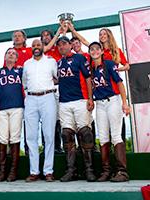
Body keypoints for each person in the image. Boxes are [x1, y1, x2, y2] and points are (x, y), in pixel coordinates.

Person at [88, 41, 130, 182]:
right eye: (91, 49)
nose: (94, 51)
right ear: (90, 53)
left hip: (113, 101)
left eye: (96, 49)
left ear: (101, 51)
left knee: (116, 136)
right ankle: (106, 171)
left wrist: (125, 103)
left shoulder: (109, 64)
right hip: (100, 104)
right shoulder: (91, 69)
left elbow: (119, 83)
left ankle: (122, 172)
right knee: (104, 137)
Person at [57, 36, 96, 182]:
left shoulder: (79, 58)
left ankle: (89, 170)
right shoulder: (58, 63)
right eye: (59, 45)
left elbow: (87, 78)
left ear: (70, 45)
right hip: (64, 102)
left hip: (80, 100)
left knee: (85, 132)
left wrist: (90, 98)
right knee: (66, 134)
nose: (61, 47)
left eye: (64, 44)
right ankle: (71, 170)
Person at [23, 39, 57, 182]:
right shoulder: (26, 64)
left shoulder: (51, 61)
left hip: (48, 97)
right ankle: (34, 171)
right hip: (31, 99)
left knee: (49, 135)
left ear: (43, 47)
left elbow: (57, 78)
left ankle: (48, 171)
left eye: (38, 45)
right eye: (34, 46)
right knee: (31, 136)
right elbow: (24, 82)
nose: (36, 47)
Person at [0, 48, 24, 182]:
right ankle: (2, 171)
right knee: (2, 138)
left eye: (14, 53)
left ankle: (13, 171)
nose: (11, 55)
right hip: (1, 108)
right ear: (5, 56)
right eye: (9, 53)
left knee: (14, 137)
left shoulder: (21, 70)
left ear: (17, 58)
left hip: (17, 107)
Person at [99, 28, 130, 143]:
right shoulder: (99, 52)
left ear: (109, 35)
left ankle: (120, 152)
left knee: (117, 123)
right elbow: (85, 42)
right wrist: (72, 30)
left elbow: (127, 65)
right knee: (105, 126)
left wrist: (120, 68)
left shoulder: (116, 51)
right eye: (100, 34)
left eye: (104, 34)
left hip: (115, 89)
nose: (102, 36)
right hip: (102, 91)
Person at [40, 27, 63, 154]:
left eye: (48, 35)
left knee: (59, 118)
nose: (46, 37)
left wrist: (63, 31)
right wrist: (58, 33)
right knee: (46, 118)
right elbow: (46, 48)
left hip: (59, 87)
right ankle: (46, 147)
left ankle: (58, 147)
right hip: (46, 89)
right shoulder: (41, 51)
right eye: (43, 35)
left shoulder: (58, 49)